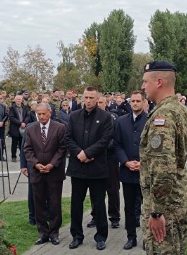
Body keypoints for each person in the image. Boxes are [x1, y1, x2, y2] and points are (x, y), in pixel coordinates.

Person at [140, 60, 187, 254]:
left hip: (166, 206)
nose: (142, 86)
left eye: (146, 81)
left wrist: (156, 211)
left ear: (159, 82)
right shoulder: (181, 110)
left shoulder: (164, 116)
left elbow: (163, 168)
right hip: (177, 198)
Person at [66, 86, 113, 251]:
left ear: (97, 98)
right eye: (86, 97)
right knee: (76, 204)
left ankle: (101, 237)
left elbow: (105, 139)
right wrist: (79, 153)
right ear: (82, 98)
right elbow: (68, 137)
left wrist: (88, 153)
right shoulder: (73, 116)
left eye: (92, 98)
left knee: (99, 204)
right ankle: (77, 236)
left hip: (97, 168)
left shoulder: (106, 117)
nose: (88, 101)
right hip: (78, 167)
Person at [24, 103, 67, 246]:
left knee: (55, 204)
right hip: (37, 172)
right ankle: (42, 233)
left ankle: (54, 233)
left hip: (54, 173)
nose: (41, 116)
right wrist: (36, 164)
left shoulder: (60, 128)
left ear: (50, 113)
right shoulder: (31, 129)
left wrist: (52, 164)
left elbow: (62, 149)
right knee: (39, 204)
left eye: (43, 114)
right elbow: (28, 150)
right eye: (38, 114)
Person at [114, 90, 147, 250]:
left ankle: (147, 239)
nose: (134, 103)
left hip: (145, 172)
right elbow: (117, 145)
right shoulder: (121, 121)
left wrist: (142, 163)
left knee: (146, 207)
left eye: (138, 101)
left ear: (144, 102)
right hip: (127, 172)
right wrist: (126, 162)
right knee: (128, 207)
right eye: (132, 101)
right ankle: (131, 237)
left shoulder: (151, 120)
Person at [87, 95, 120, 229]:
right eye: (97, 102)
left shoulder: (112, 117)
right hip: (95, 159)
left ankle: (114, 216)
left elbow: (115, 137)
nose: (99, 104)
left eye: (101, 102)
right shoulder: (89, 117)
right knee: (95, 190)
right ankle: (96, 216)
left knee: (112, 189)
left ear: (106, 103)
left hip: (110, 158)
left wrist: (100, 148)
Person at [8, 95, 29, 162]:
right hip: (15, 128)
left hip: (23, 128)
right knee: (14, 143)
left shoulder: (25, 107)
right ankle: (13, 156)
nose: (18, 101)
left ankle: (22, 156)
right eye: (17, 99)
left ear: (21, 100)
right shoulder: (12, 108)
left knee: (22, 143)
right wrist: (20, 123)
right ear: (15, 100)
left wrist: (24, 123)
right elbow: (11, 117)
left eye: (19, 99)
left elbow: (28, 116)